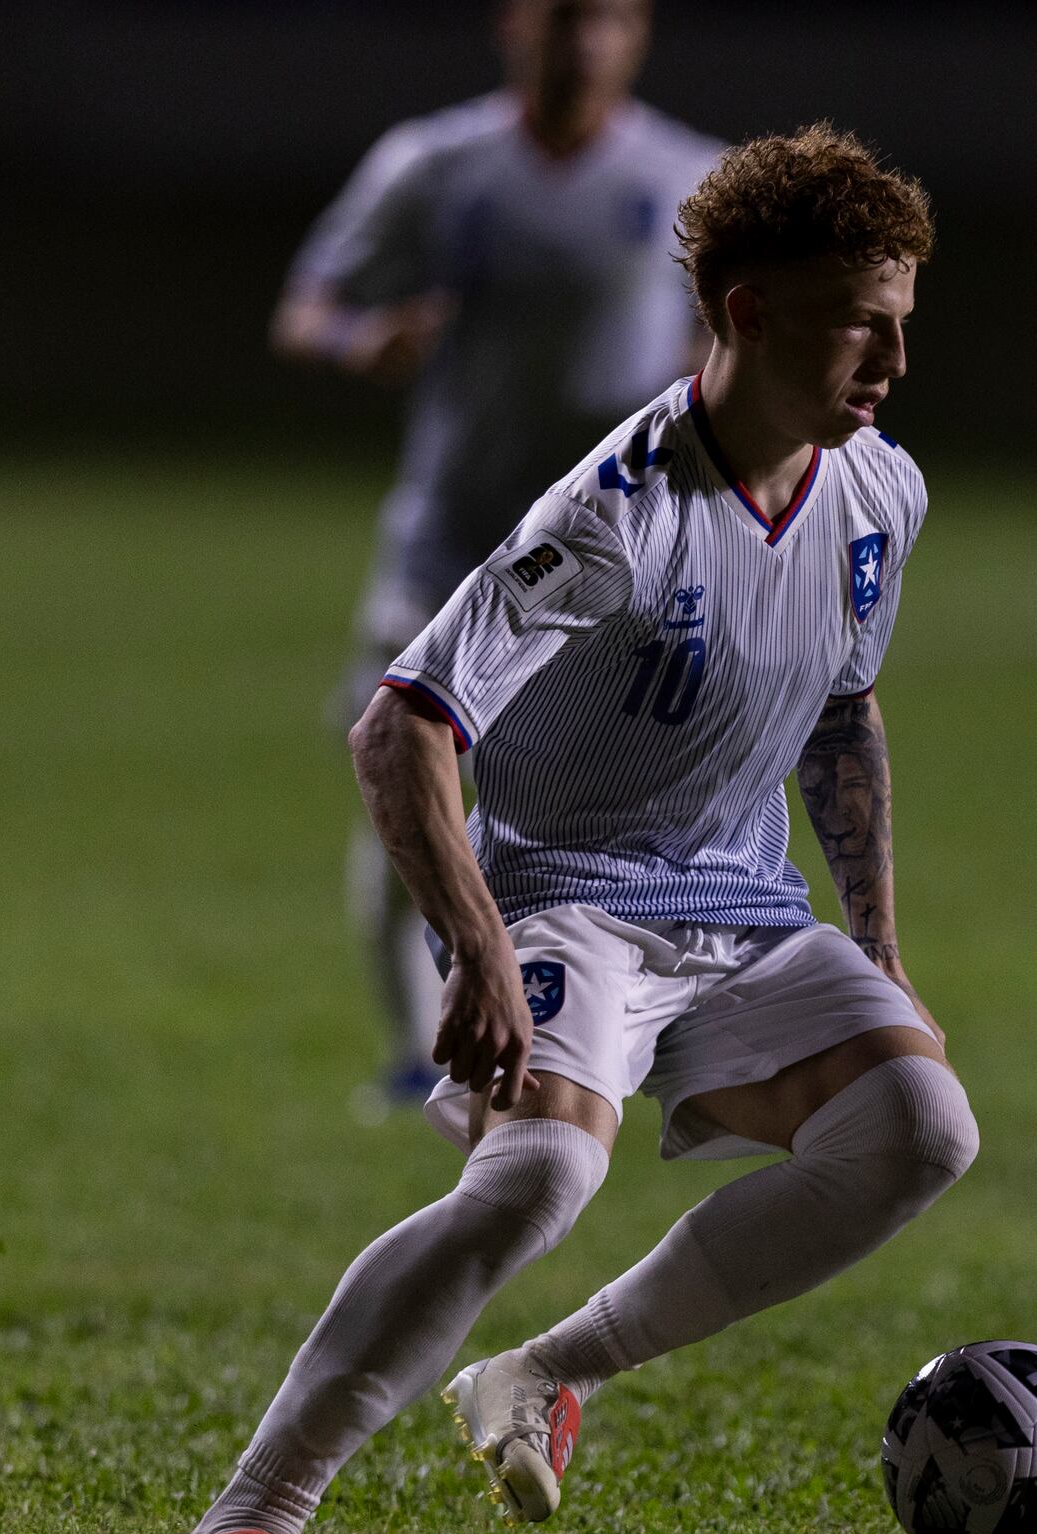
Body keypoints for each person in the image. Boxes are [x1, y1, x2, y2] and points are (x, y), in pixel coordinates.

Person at [163, 126, 962, 1534]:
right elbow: (400, 724)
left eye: (905, 324)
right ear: (748, 316)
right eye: (866, 324)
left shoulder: (876, 496)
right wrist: (468, 948)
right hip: (566, 893)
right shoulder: (613, 515)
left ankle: (539, 1370)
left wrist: (880, 941)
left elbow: (843, 711)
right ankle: (245, 1517)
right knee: (531, 1181)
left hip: (739, 906)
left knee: (922, 1126)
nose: (895, 363)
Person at [271, 0, 722, 1117]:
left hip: (619, 565)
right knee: (405, 796)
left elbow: (730, 338)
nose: (581, 40)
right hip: (450, 550)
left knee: (639, 818)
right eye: (561, 17)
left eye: (605, 17)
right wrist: (357, 341)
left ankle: (642, 1051)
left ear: (638, 34)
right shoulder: (435, 164)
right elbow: (309, 306)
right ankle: (412, 1056)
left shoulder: (686, 177)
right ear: (515, 27)